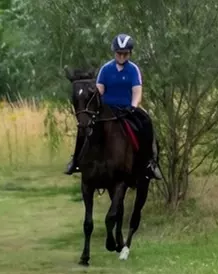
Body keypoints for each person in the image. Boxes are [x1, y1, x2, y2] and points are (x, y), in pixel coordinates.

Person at [66, 33, 163, 180]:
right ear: (114, 52)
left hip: (127, 108)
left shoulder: (133, 69)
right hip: (107, 109)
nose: (122, 57)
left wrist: (133, 106)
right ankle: (76, 160)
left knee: (147, 122)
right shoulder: (106, 69)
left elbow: (137, 91)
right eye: (119, 54)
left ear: (130, 53)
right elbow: (99, 91)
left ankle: (150, 163)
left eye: (125, 54)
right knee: (84, 127)